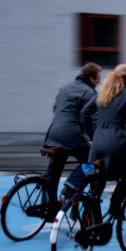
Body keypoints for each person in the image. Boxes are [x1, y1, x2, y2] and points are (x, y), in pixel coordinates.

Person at [81, 64, 126, 220]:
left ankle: (94, 225)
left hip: (97, 144)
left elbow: (84, 114)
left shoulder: (103, 93)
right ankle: (115, 204)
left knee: (96, 183)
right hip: (116, 144)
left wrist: (93, 135)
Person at [43, 62, 102, 218]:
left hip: (53, 132)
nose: (99, 82)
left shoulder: (65, 87)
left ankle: (48, 208)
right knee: (93, 159)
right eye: (98, 79)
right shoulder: (90, 93)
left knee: (54, 171)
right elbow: (92, 119)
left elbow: (56, 109)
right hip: (72, 134)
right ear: (92, 77)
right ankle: (72, 184)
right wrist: (96, 138)